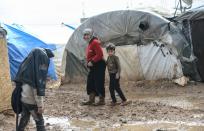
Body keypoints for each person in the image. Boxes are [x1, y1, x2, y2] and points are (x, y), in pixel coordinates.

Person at [15, 48, 54, 131]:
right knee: (39, 121)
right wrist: (40, 106)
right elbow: (37, 90)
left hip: (24, 99)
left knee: (24, 119)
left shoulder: (26, 70)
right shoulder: (36, 76)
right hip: (32, 103)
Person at [81, 28, 106, 106]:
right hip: (93, 66)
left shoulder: (95, 42)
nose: (86, 36)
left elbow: (100, 54)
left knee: (99, 82)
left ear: (91, 35)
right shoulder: (90, 43)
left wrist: (92, 61)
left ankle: (102, 100)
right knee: (90, 82)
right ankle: (91, 99)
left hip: (99, 65)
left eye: (87, 34)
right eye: (85, 35)